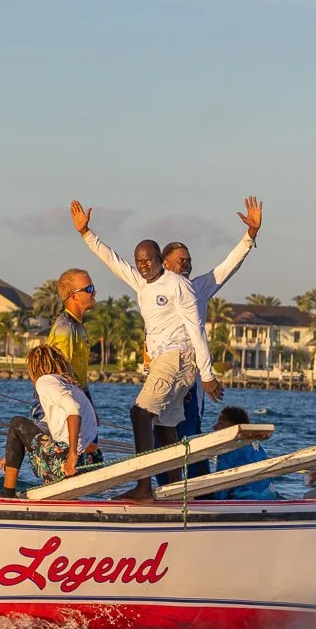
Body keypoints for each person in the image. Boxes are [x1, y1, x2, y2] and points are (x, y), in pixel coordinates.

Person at [71, 199, 217, 501]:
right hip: (165, 361)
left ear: (159, 259)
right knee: (165, 426)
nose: (143, 265)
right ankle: (176, 489)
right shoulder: (142, 283)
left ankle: (142, 486)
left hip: (178, 358)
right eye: (139, 261)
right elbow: (113, 261)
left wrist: (207, 373)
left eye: (148, 260)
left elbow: (196, 329)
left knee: (140, 413)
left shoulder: (178, 285)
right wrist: (87, 233)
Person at [161, 196, 263, 481]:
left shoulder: (197, 289)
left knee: (190, 435)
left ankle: (198, 490)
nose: (188, 265)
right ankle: (163, 490)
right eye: (182, 261)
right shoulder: (150, 290)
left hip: (191, 378)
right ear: (165, 263)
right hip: (161, 374)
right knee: (162, 438)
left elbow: (227, 267)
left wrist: (250, 235)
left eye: (190, 261)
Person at [0, 345, 99, 496]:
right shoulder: (71, 386)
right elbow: (45, 427)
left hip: (71, 461)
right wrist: (13, 453)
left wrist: (72, 455)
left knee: (16, 422)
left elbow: (73, 408)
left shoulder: (44, 381)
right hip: (92, 461)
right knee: (34, 435)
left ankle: (7, 494)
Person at [206, 405, 276, 500]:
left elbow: (221, 487)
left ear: (234, 428)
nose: (214, 427)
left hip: (245, 500)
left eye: (220, 423)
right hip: (269, 497)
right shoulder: (256, 447)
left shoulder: (227, 450)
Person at [46, 268, 97, 392]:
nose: (94, 292)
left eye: (93, 287)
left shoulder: (77, 325)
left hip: (79, 397)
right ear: (74, 296)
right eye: (89, 289)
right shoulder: (65, 329)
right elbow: (61, 376)